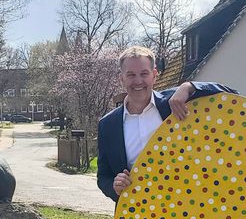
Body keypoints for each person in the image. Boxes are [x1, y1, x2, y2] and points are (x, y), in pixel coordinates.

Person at [96, 46, 236, 201]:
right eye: (131, 75)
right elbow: (103, 176)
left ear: (154, 75)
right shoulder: (107, 125)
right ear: (121, 78)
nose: (138, 81)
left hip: (185, 206)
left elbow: (230, 95)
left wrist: (189, 86)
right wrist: (114, 186)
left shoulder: (177, 101)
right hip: (136, 214)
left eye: (144, 73)